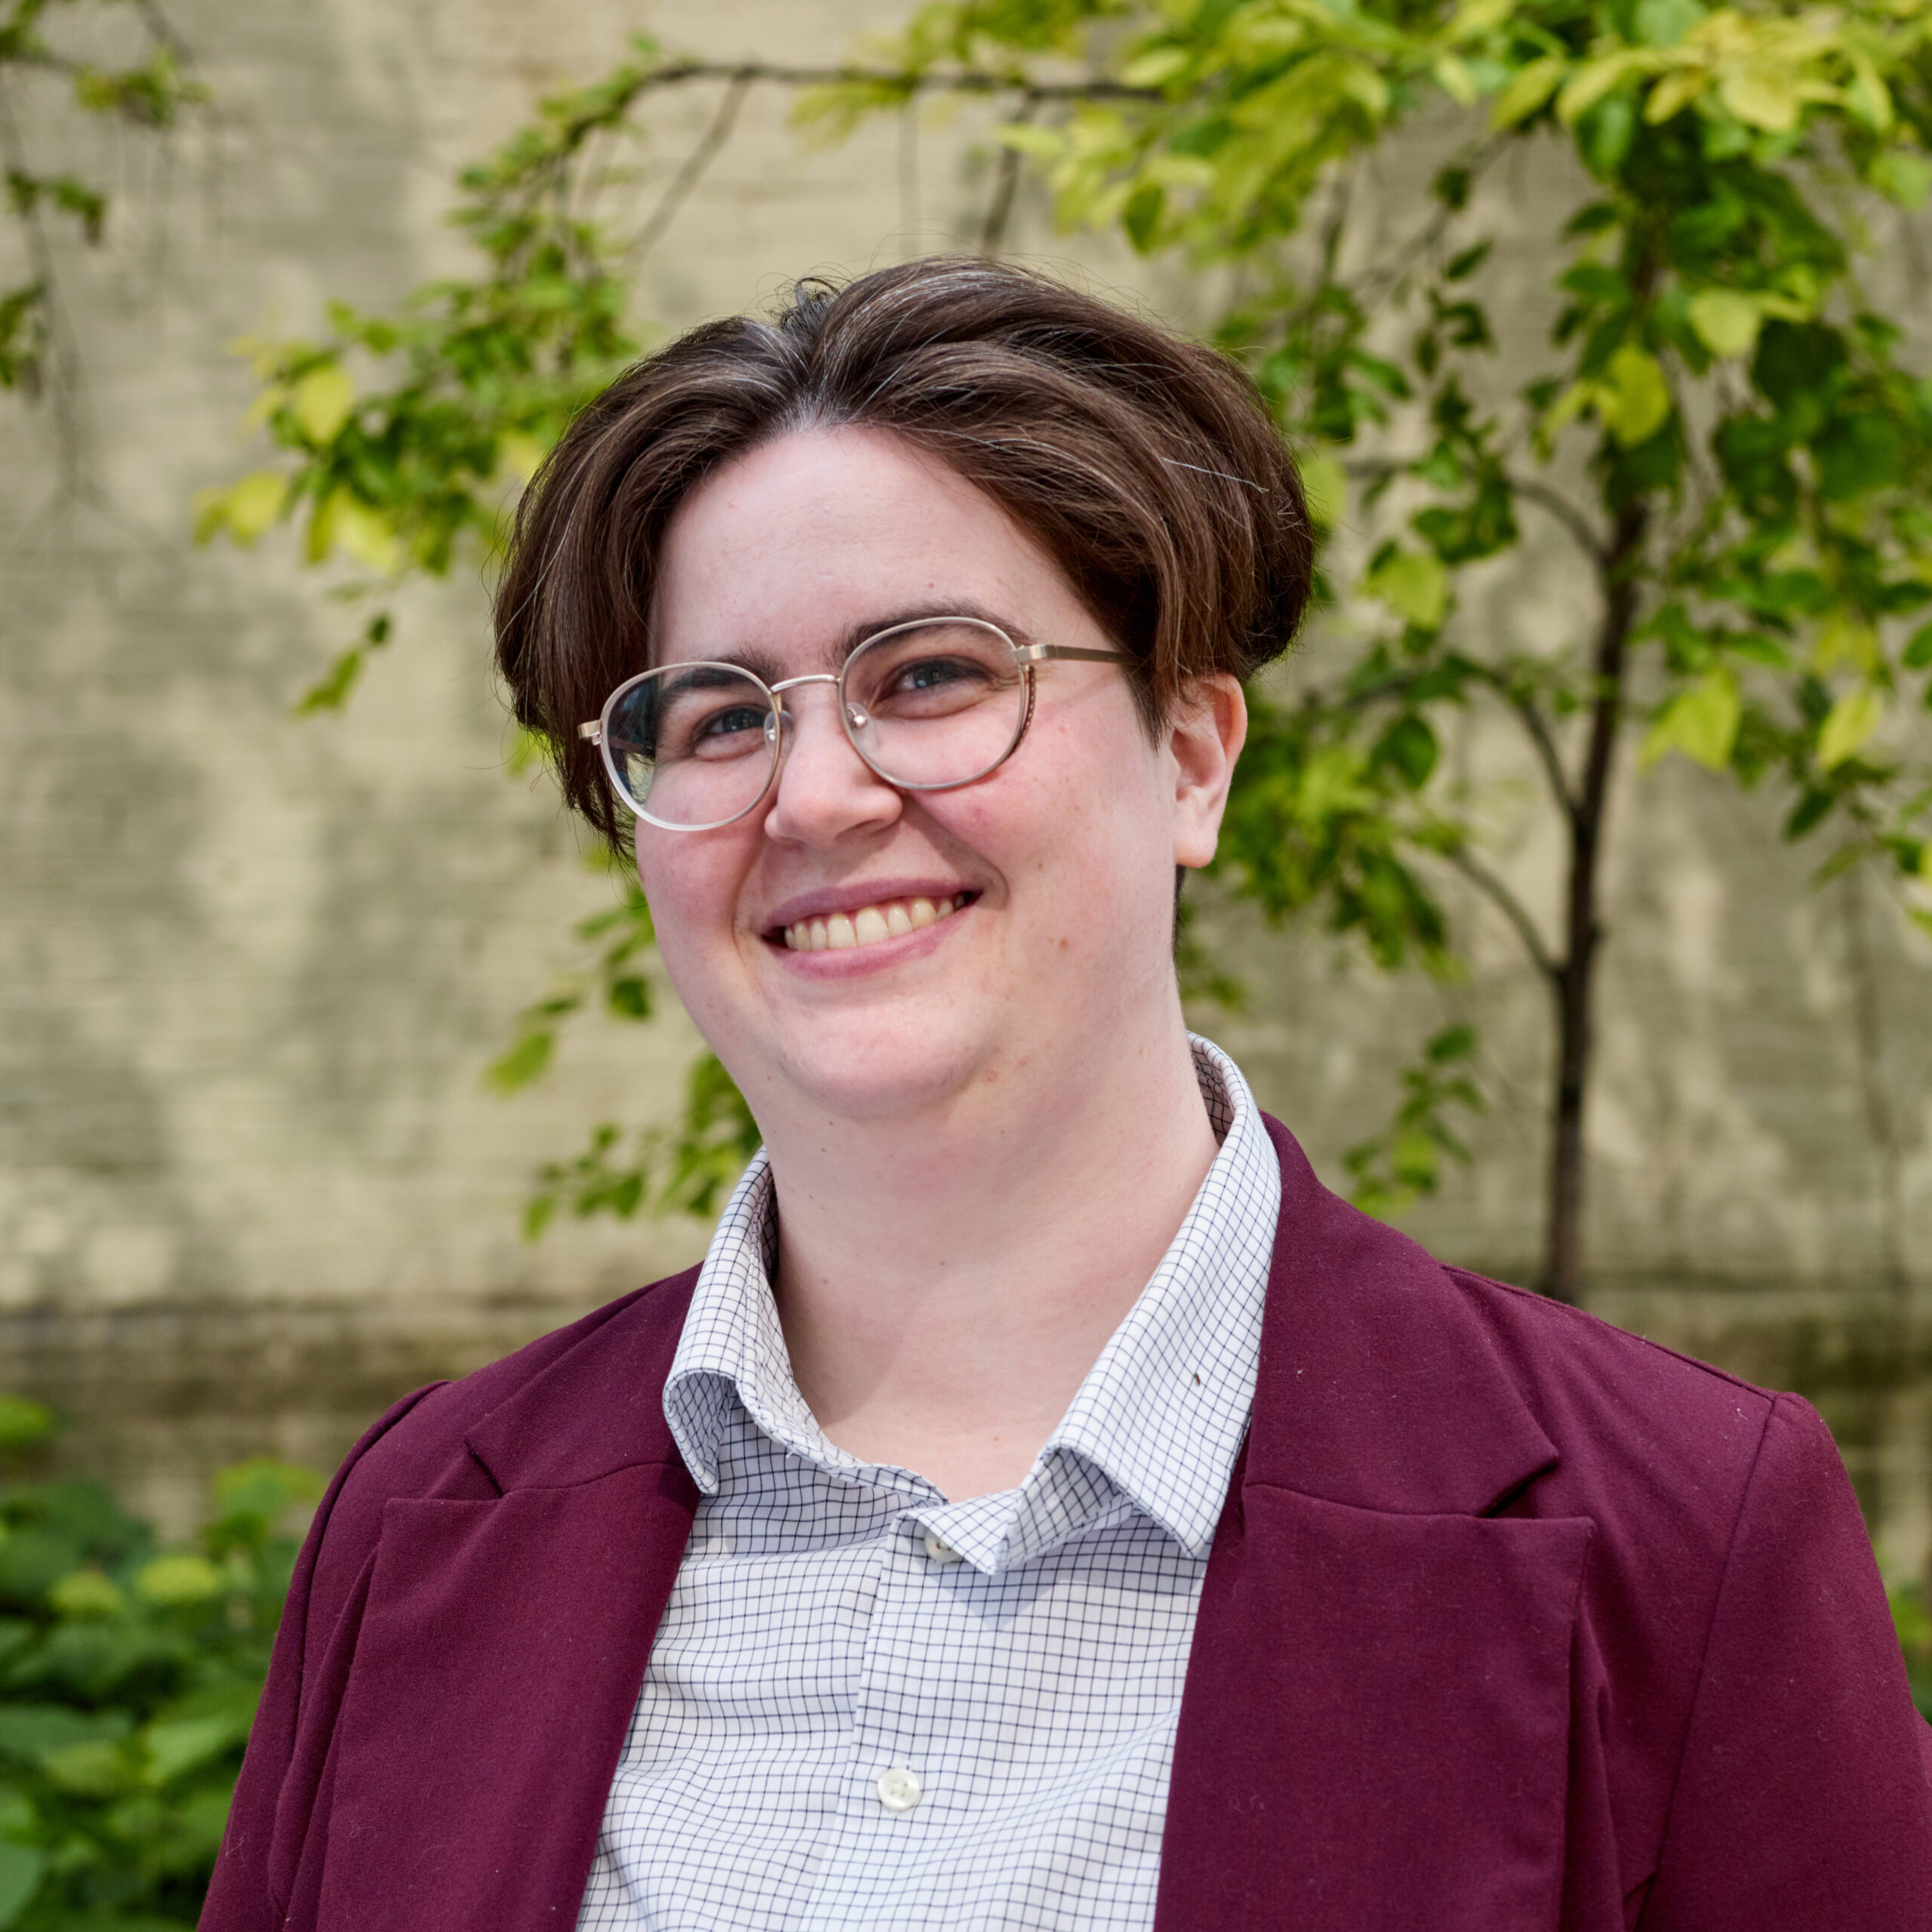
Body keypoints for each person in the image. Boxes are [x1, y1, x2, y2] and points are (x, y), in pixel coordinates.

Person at [200, 258, 1932, 1932]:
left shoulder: (1679, 1532)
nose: (812, 793)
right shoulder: (424, 1512)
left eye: (930, 674)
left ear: (1189, 756)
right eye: (717, 715)